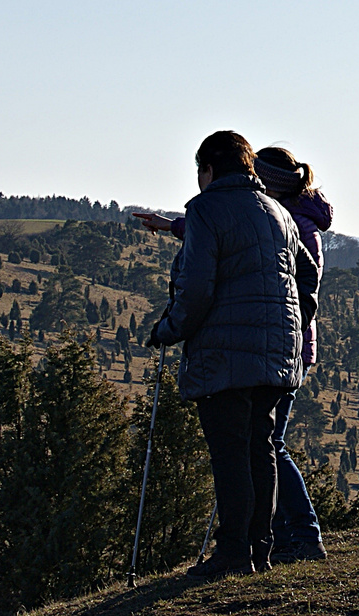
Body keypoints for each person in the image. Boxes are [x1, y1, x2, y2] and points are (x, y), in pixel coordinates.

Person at [143, 131, 320, 580]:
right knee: (260, 449)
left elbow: (196, 286)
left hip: (224, 355)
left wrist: (168, 330)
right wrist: (294, 324)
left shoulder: (204, 209)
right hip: (278, 357)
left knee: (229, 454)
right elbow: (307, 274)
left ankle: (233, 553)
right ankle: (259, 549)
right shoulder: (279, 213)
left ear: (208, 169)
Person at [251, 146, 332, 563]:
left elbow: (303, 294)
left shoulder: (294, 226)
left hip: (287, 346)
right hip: (290, 345)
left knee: (270, 442)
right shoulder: (295, 219)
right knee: (266, 441)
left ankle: (304, 534)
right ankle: (286, 537)